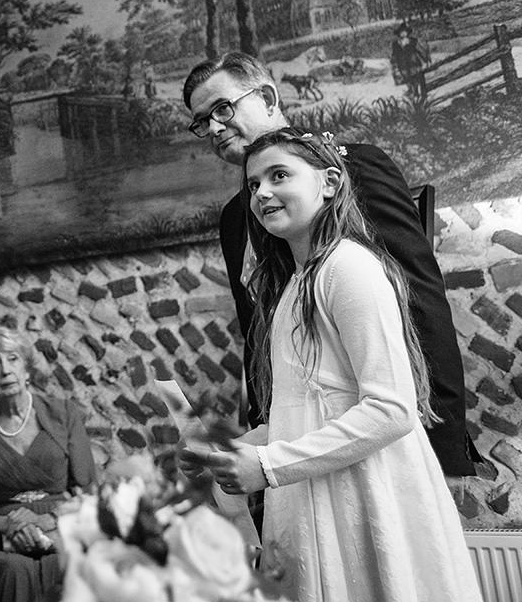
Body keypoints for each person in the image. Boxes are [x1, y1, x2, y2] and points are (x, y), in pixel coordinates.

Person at [188, 128, 481, 601]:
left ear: (328, 182)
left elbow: (391, 410)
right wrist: (232, 450)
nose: (261, 192)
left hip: (366, 493)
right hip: (312, 491)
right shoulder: (293, 288)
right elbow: (305, 408)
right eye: (253, 184)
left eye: (278, 175)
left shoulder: (349, 268)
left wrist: (266, 464)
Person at [182, 52, 480, 478]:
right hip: (290, 442)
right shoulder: (235, 217)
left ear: (267, 97)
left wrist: (443, 444)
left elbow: (418, 297)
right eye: (200, 122)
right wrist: (261, 435)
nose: (212, 127)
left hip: (380, 436)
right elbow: (258, 333)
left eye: (222, 108)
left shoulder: (353, 167)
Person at [0, 327, 94, 602]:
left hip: (63, 523)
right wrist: (11, 527)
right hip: (6, 535)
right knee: (12, 569)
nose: (5, 371)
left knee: (66, 563)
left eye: (13, 359)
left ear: (26, 369)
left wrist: (48, 521)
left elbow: (87, 490)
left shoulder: (64, 413)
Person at [390, 23, 430, 100]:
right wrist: (394, 67)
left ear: (408, 33)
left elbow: (420, 50)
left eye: (405, 32)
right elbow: (394, 56)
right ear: (399, 33)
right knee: (409, 80)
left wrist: (425, 60)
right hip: (403, 65)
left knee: (420, 79)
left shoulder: (413, 41)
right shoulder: (395, 44)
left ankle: (423, 96)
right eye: (401, 32)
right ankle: (414, 94)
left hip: (414, 64)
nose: (403, 33)